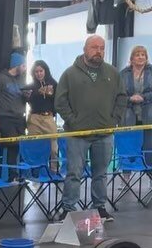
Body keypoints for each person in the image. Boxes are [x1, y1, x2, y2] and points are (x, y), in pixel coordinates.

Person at [55, 35, 126, 222]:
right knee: (74, 173)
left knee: (101, 174)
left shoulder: (112, 73)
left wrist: (115, 119)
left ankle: (100, 208)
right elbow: (60, 102)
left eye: (102, 48)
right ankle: (68, 208)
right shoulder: (70, 74)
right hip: (78, 134)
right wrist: (73, 120)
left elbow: (122, 97)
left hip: (104, 133)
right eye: (94, 47)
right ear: (85, 49)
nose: (99, 51)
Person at [0, 51, 27, 180]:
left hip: (19, 119)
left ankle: (13, 177)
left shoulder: (20, 80)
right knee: (9, 146)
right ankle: (1, 177)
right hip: (5, 118)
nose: (25, 68)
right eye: (23, 65)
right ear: (17, 65)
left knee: (16, 148)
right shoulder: (0, 79)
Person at [26, 59, 58, 167]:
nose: (39, 74)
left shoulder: (53, 83)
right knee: (35, 147)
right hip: (34, 118)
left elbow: (58, 100)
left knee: (54, 148)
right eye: (36, 72)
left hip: (48, 117)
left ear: (45, 71)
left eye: (41, 71)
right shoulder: (30, 86)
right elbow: (27, 100)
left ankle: (54, 170)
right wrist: (36, 93)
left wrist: (51, 94)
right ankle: (36, 172)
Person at [120, 45, 152, 153]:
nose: (140, 57)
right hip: (128, 113)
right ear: (132, 58)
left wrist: (143, 97)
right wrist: (130, 98)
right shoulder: (123, 73)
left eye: (143, 55)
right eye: (137, 55)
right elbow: (119, 94)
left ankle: (148, 169)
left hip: (149, 114)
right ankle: (128, 169)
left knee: (148, 146)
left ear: (146, 58)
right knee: (129, 146)